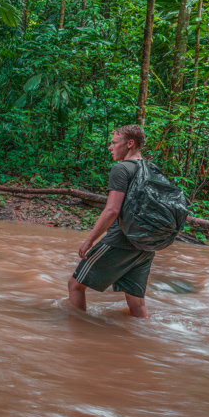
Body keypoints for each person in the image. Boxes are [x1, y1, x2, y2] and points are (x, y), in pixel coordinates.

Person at [67, 124, 154, 318]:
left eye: (114, 143)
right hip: (146, 244)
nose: (110, 147)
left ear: (130, 144)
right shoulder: (152, 169)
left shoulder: (121, 168)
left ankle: (77, 336)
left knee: (75, 285)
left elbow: (112, 210)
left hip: (120, 240)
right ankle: (142, 341)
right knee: (136, 302)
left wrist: (89, 241)